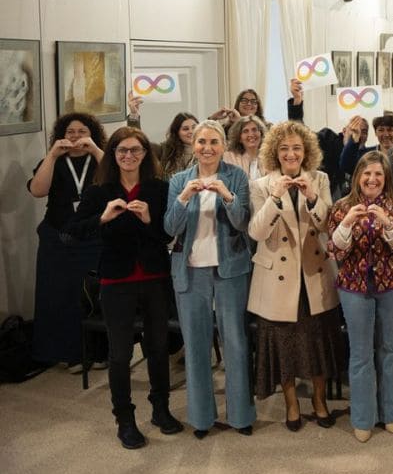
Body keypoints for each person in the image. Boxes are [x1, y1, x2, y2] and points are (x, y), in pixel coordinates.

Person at [69, 127, 179, 449]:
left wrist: (149, 221)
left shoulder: (160, 189)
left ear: (146, 154)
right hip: (117, 280)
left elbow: (168, 236)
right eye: (122, 151)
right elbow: (72, 233)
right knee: (120, 354)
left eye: (136, 150)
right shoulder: (98, 191)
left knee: (158, 346)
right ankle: (125, 419)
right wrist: (102, 218)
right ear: (113, 154)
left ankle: (160, 408)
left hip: (155, 277)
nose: (129, 156)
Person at [247, 120, 342, 432]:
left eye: (297, 148)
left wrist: (313, 197)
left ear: (306, 152)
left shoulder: (321, 178)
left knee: (317, 343)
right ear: (275, 152)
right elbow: (257, 231)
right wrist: (275, 199)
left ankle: (319, 399)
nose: (291, 153)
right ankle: (291, 404)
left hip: (313, 274)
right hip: (277, 279)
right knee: (284, 346)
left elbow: (329, 225)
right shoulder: (261, 185)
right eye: (284, 148)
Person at [164, 119, 256, 438]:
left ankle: (241, 415)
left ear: (223, 147)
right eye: (201, 142)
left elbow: (243, 222)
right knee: (197, 344)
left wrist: (227, 196)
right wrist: (183, 198)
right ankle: (202, 418)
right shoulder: (178, 180)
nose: (207, 148)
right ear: (194, 146)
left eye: (213, 142)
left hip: (230, 269)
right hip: (190, 269)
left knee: (235, 341)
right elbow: (170, 228)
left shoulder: (237, 177)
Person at [328, 151, 393, 443]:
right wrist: (347, 224)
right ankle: (363, 418)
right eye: (367, 174)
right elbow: (335, 250)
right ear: (357, 178)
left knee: (388, 350)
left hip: (392, 286)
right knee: (361, 353)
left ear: (385, 178)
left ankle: (390, 413)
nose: (372, 179)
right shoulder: (342, 207)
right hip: (353, 287)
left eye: (378, 174)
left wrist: (389, 224)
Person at [27, 112, 107, 367]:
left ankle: (98, 352)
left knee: (94, 296)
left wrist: (95, 149)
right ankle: (67, 353)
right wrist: (52, 154)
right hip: (58, 235)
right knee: (60, 294)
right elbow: (38, 190)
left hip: (93, 235)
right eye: (70, 132)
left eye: (82, 131)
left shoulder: (99, 160)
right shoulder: (54, 160)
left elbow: (118, 181)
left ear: (91, 133)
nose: (75, 137)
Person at [126, 93, 196, 176]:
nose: (191, 131)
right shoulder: (165, 150)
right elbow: (139, 142)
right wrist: (134, 115)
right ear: (177, 132)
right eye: (185, 129)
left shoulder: (206, 150)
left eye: (194, 127)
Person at [224, 114, 267, 180]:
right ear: (239, 138)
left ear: (261, 133)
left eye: (254, 130)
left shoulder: (269, 157)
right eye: (245, 131)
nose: (251, 134)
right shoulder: (229, 157)